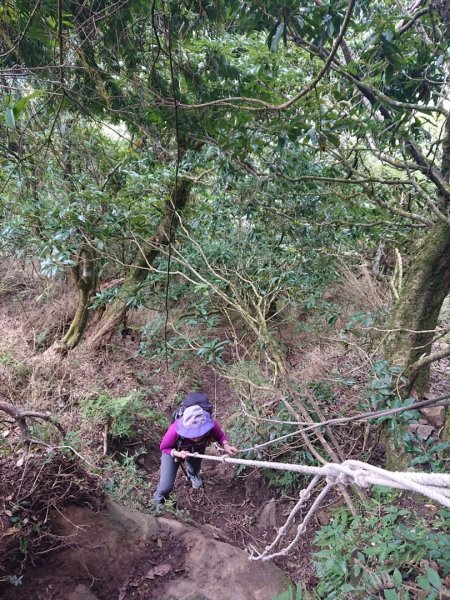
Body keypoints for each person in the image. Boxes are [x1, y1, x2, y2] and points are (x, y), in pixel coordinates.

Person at [154, 403, 238, 504]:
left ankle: (192, 475)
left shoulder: (211, 425)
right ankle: (159, 499)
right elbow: (164, 447)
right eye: (192, 435)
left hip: (197, 450)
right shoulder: (174, 430)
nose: (196, 438)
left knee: (194, 468)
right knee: (165, 486)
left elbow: (220, 436)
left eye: (199, 433)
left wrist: (226, 445)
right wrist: (177, 453)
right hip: (173, 450)